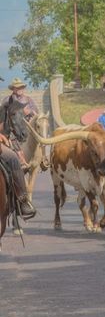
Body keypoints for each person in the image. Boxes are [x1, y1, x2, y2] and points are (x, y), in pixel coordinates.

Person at [0, 77, 37, 219]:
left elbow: (36, 114)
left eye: (21, 86)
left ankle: (44, 159)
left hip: (20, 131)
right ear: (13, 89)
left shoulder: (29, 100)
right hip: (10, 134)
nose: (19, 89)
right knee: (13, 158)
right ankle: (23, 201)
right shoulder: (6, 101)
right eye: (17, 87)